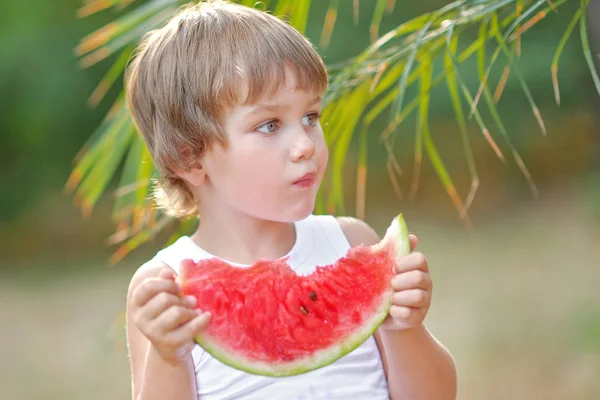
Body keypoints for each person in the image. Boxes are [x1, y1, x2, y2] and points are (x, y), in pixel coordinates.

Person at [124, 1, 457, 399]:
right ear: (189, 157)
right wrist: (169, 357)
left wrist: (405, 328)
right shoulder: (167, 286)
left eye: (311, 117)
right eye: (269, 125)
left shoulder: (351, 242)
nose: (304, 145)